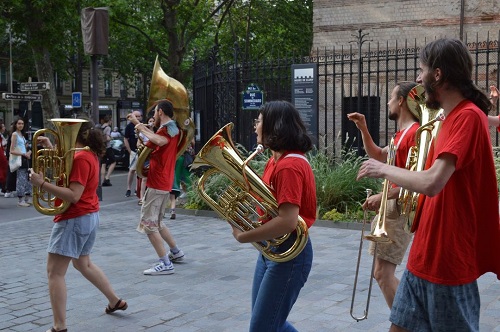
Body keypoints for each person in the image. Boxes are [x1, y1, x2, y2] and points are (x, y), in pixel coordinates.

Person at [357, 38, 500, 332]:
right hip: (424, 256)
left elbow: (433, 182)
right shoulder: (449, 118)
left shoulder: (468, 117)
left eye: (421, 71)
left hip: (448, 262)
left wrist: (383, 169)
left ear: (438, 74)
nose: (418, 80)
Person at [29, 118, 127, 332]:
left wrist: (42, 183)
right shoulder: (88, 154)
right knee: (84, 264)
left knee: (54, 273)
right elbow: (70, 173)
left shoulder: (81, 157)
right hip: (88, 215)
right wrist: (51, 148)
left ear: (78, 136)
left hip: (75, 217)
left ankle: (59, 326)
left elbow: (74, 194)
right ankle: (115, 301)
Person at [230, 100, 316, 331]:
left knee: (263, 326)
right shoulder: (275, 160)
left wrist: (243, 236)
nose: (255, 127)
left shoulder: (288, 166)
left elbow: (288, 221)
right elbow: (270, 207)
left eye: (258, 121)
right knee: (268, 324)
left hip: (289, 254)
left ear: (273, 126)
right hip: (272, 250)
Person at [347, 81, 419, 309]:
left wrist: (383, 197)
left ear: (401, 101)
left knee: (383, 275)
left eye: (391, 97)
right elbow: (378, 154)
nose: (387, 102)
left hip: (399, 209)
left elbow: (417, 181)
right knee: (381, 274)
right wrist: (364, 129)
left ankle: (407, 322)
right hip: (392, 208)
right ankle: (407, 319)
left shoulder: (414, 133)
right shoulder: (401, 134)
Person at [127, 99, 185, 275]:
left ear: (160, 112)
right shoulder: (171, 129)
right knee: (157, 222)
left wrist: (138, 124)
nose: (153, 116)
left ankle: (165, 263)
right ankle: (176, 252)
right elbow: (150, 143)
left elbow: (159, 141)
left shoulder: (168, 129)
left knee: (148, 224)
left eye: (154, 113)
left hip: (158, 182)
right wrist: (141, 131)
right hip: (163, 181)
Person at [9, 117, 32, 207]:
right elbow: (12, 150)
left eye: (22, 124)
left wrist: (29, 152)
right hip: (21, 158)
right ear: (15, 125)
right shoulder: (15, 134)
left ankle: (26, 198)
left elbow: (26, 147)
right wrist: (23, 154)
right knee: (21, 179)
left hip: (25, 159)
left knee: (28, 179)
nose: (21, 125)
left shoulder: (22, 135)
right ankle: (20, 199)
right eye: (19, 123)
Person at [124, 111, 143, 197]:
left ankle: (136, 188)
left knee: (139, 171)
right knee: (132, 170)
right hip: (133, 151)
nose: (138, 118)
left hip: (141, 150)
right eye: (136, 116)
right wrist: (129, 150)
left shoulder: (142, 125)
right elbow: (126, 139)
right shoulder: (129, 126)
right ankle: (128, 188)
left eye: (139, 116)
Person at [100, 116, 116, 186]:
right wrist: (111, 138)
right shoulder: (108, 128)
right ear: (109, 121)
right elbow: (107, 138)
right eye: (111, 121)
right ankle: (107, 177)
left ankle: (102, 180)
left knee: (103, 164)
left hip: (102, 147)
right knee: (113, 161)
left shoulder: (101, 127)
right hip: (108, 147)